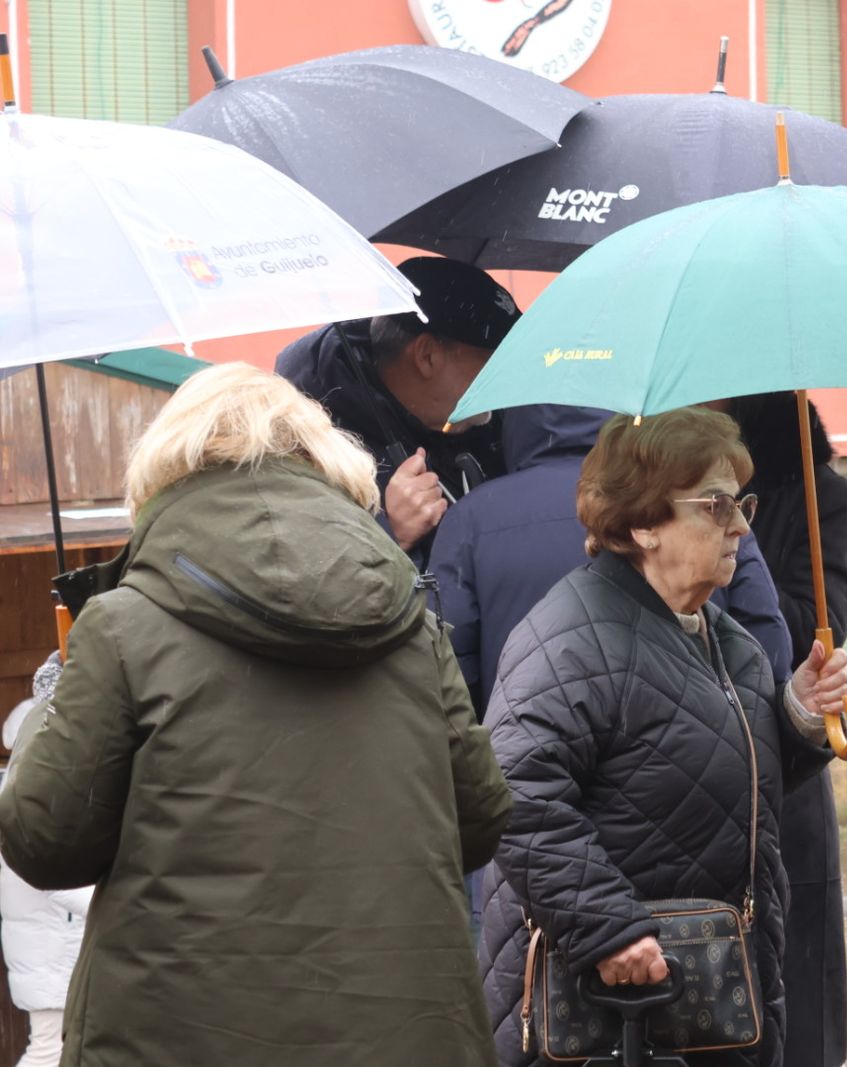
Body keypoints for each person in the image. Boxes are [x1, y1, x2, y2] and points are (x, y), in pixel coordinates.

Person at [0, 363, 511, 1067]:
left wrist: (53, 699)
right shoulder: (412, 627)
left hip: (174, 1038)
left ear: (165, 474)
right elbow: (479, 820)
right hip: (404, 1033)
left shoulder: (123, 628)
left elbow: (43, 841)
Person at [477, 408, 847, 1067]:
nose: (741, 526)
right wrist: (607, 928)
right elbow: (513, 796)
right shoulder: (570, 637)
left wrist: (798, 712)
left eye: (742, 503)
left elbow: (724, 776)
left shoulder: (723, 638)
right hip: (613, 1010)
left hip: (697, 996)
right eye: (716, 505)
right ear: (643, 523)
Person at [432, 405, 792, 718]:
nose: (740, 525)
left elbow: (443, 680)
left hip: (510, 749)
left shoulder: (470, 520)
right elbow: (769, 652)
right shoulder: (696, 498)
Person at [725, 392, 847, 1067]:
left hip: (791, 784)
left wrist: (731, 538)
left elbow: (814, 631)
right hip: (700, 793)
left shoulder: (821, 499)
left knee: (800, 1023)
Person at [276, 255, 521, 563]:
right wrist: (390, 534)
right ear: (427, 356)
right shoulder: (307, 442)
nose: (503, 380)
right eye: (491, 362)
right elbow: (297, 572)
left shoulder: (491, 420)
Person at [0, 657, 90, 1067]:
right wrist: (112, 901)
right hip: (51, 947)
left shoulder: (22, 781)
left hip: (51, 943)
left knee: (59, 1049)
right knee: (49, 1050)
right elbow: (46, 864)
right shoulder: (33, 788)